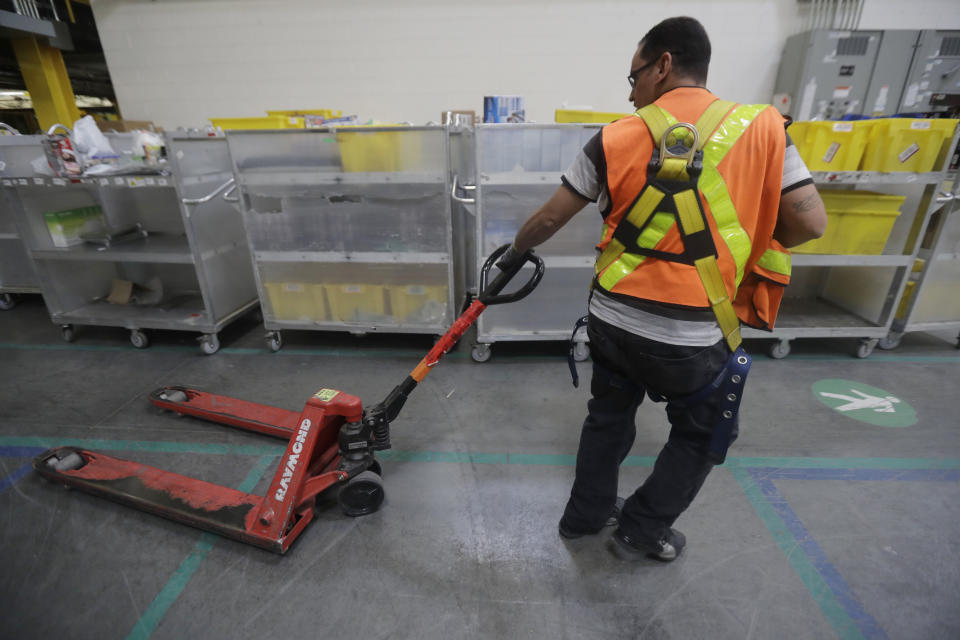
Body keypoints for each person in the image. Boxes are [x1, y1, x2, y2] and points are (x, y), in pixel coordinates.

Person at [495, 16, 827, 562]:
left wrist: (513, 255)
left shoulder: (612, 138)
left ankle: (583, 518)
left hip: (612, 320)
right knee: (701, 434)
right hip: (694, 330)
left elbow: (548, 220)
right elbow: (809, 224)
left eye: (634, 77)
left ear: (664, 65)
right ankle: (642, 530)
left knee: (607, 417)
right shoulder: (767, 130)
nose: (630, 94)